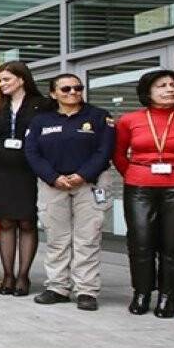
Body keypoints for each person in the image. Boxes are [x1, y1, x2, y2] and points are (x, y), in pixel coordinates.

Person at [113, 70, 174, 318]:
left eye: (173, 85)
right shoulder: (129, 120)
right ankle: (142, 292)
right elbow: (119, 153)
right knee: (140, 241)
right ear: (148, 92)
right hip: (139, 186)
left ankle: (168, 295)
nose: (169, 89)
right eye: (162, 85)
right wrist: (134, 173)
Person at [25, 74, 115, 311]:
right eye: (65, 89)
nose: (73, 92)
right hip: (53, 185)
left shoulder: (99, 116)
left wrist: (83, 175)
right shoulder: (40, 121)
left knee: (87, 239)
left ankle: (86, 290)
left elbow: (105, 150)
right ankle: (57, 287)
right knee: (57, 239)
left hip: (90, 184)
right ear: (53, 93)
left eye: (77, 88)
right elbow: (32, 152)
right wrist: (52, 177)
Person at [0, 61, 46, 297]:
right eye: (0, 80)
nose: (2, 84)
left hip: (29, 171)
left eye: (6, 79)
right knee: (5, 222)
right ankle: (8, 275)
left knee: (26, 222)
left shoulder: (43, 105)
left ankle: (23, 276)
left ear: (22, 79)